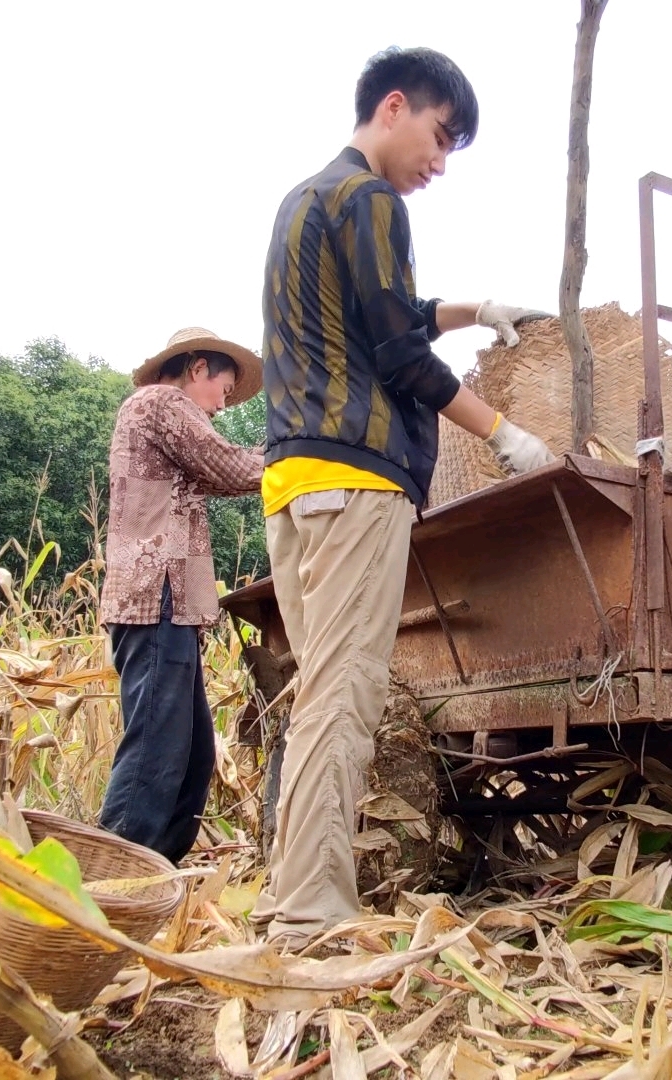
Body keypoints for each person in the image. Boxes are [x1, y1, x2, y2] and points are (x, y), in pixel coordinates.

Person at [252, 45, 556, 948]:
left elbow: (390, 313)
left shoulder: (307, 200)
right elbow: (398, 355)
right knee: (345, 696)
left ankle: (287, 895)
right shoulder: (374, 201)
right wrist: (504, 433)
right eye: (440, 134)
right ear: (394, 107)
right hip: (357, 479)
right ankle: (311, 910)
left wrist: (477, 309)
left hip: (294, 482)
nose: (442, 161)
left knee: (321, 697)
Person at [97, 326, 266, 864]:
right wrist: (303, 449)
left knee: (189, 752)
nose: (221, 407)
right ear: (197, 369)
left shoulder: (163, 422)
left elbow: (217, 473)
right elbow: (234, 467)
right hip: (156, 596)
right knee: (156, 744)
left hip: (171, 603)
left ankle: (159, 869)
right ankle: (115, 870)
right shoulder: (162, 403)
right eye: (223, 390)